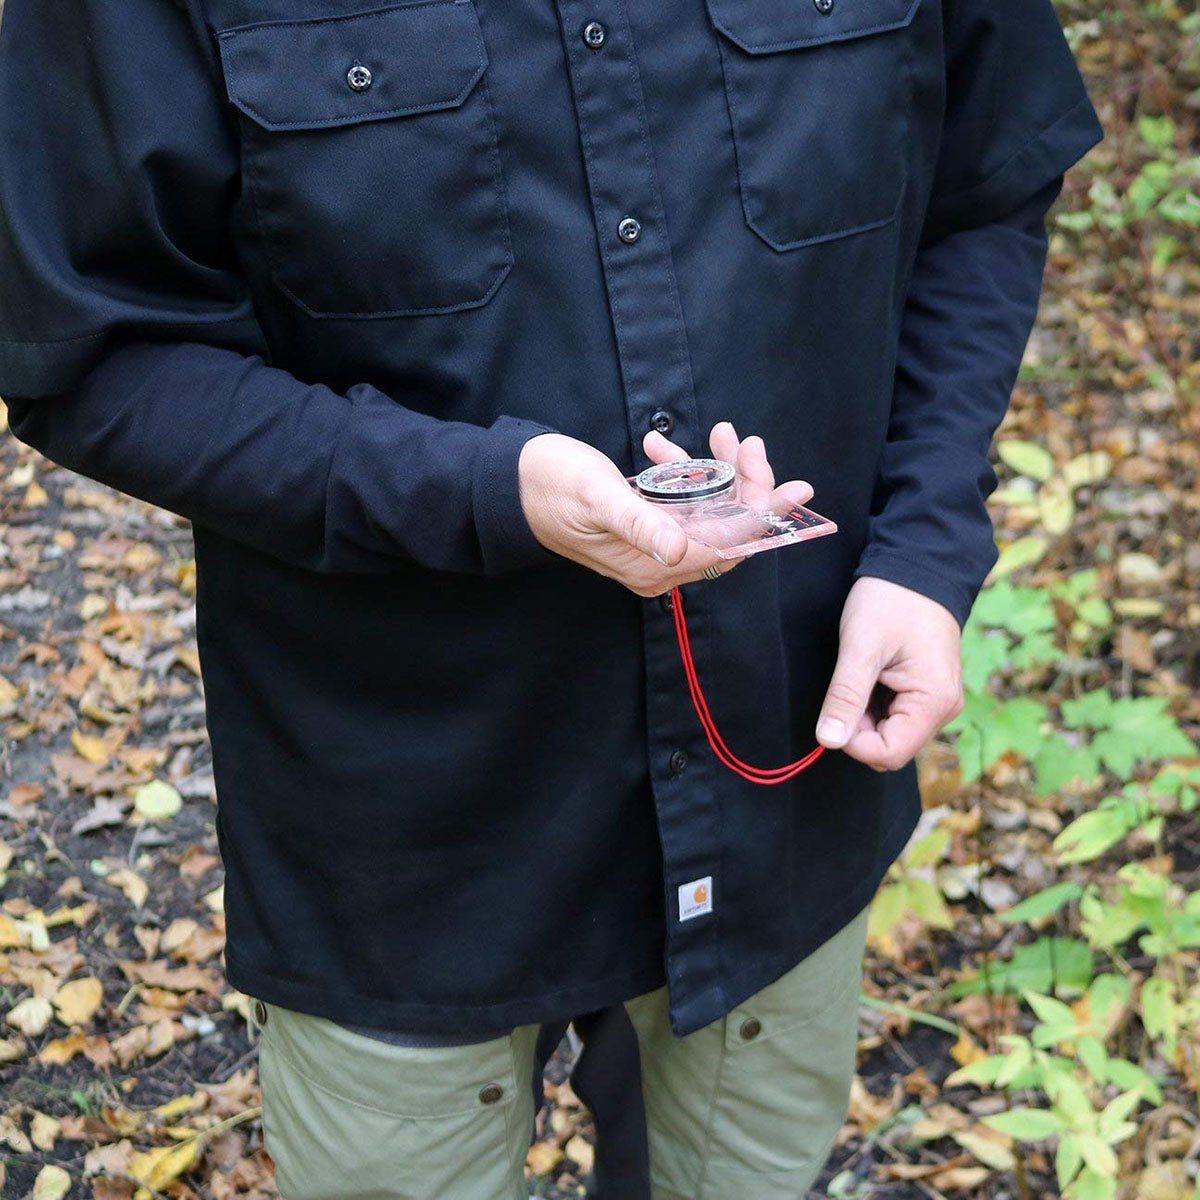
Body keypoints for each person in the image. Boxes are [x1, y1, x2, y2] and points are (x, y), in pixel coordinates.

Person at [0, 0, 1101, 1196]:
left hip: (782, 781)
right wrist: (478, 491)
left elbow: (986, 186)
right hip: (407, 832)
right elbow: (93, 355)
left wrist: (924, 545)